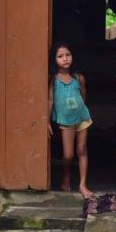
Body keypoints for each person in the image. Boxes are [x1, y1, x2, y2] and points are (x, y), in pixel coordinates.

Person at [48, 42, 94, 198]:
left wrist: (79, 109)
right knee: (68, 155)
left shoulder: (78, 78)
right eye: (60, 56)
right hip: (66, 121)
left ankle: (82, 184)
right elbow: (50, 101)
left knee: (81, 149)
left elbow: (83, 97)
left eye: (67, 55)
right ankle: (66, 174)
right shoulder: (53, 80)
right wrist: (47, 120)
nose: (65, 59)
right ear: (54, 59)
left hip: (82, 116)